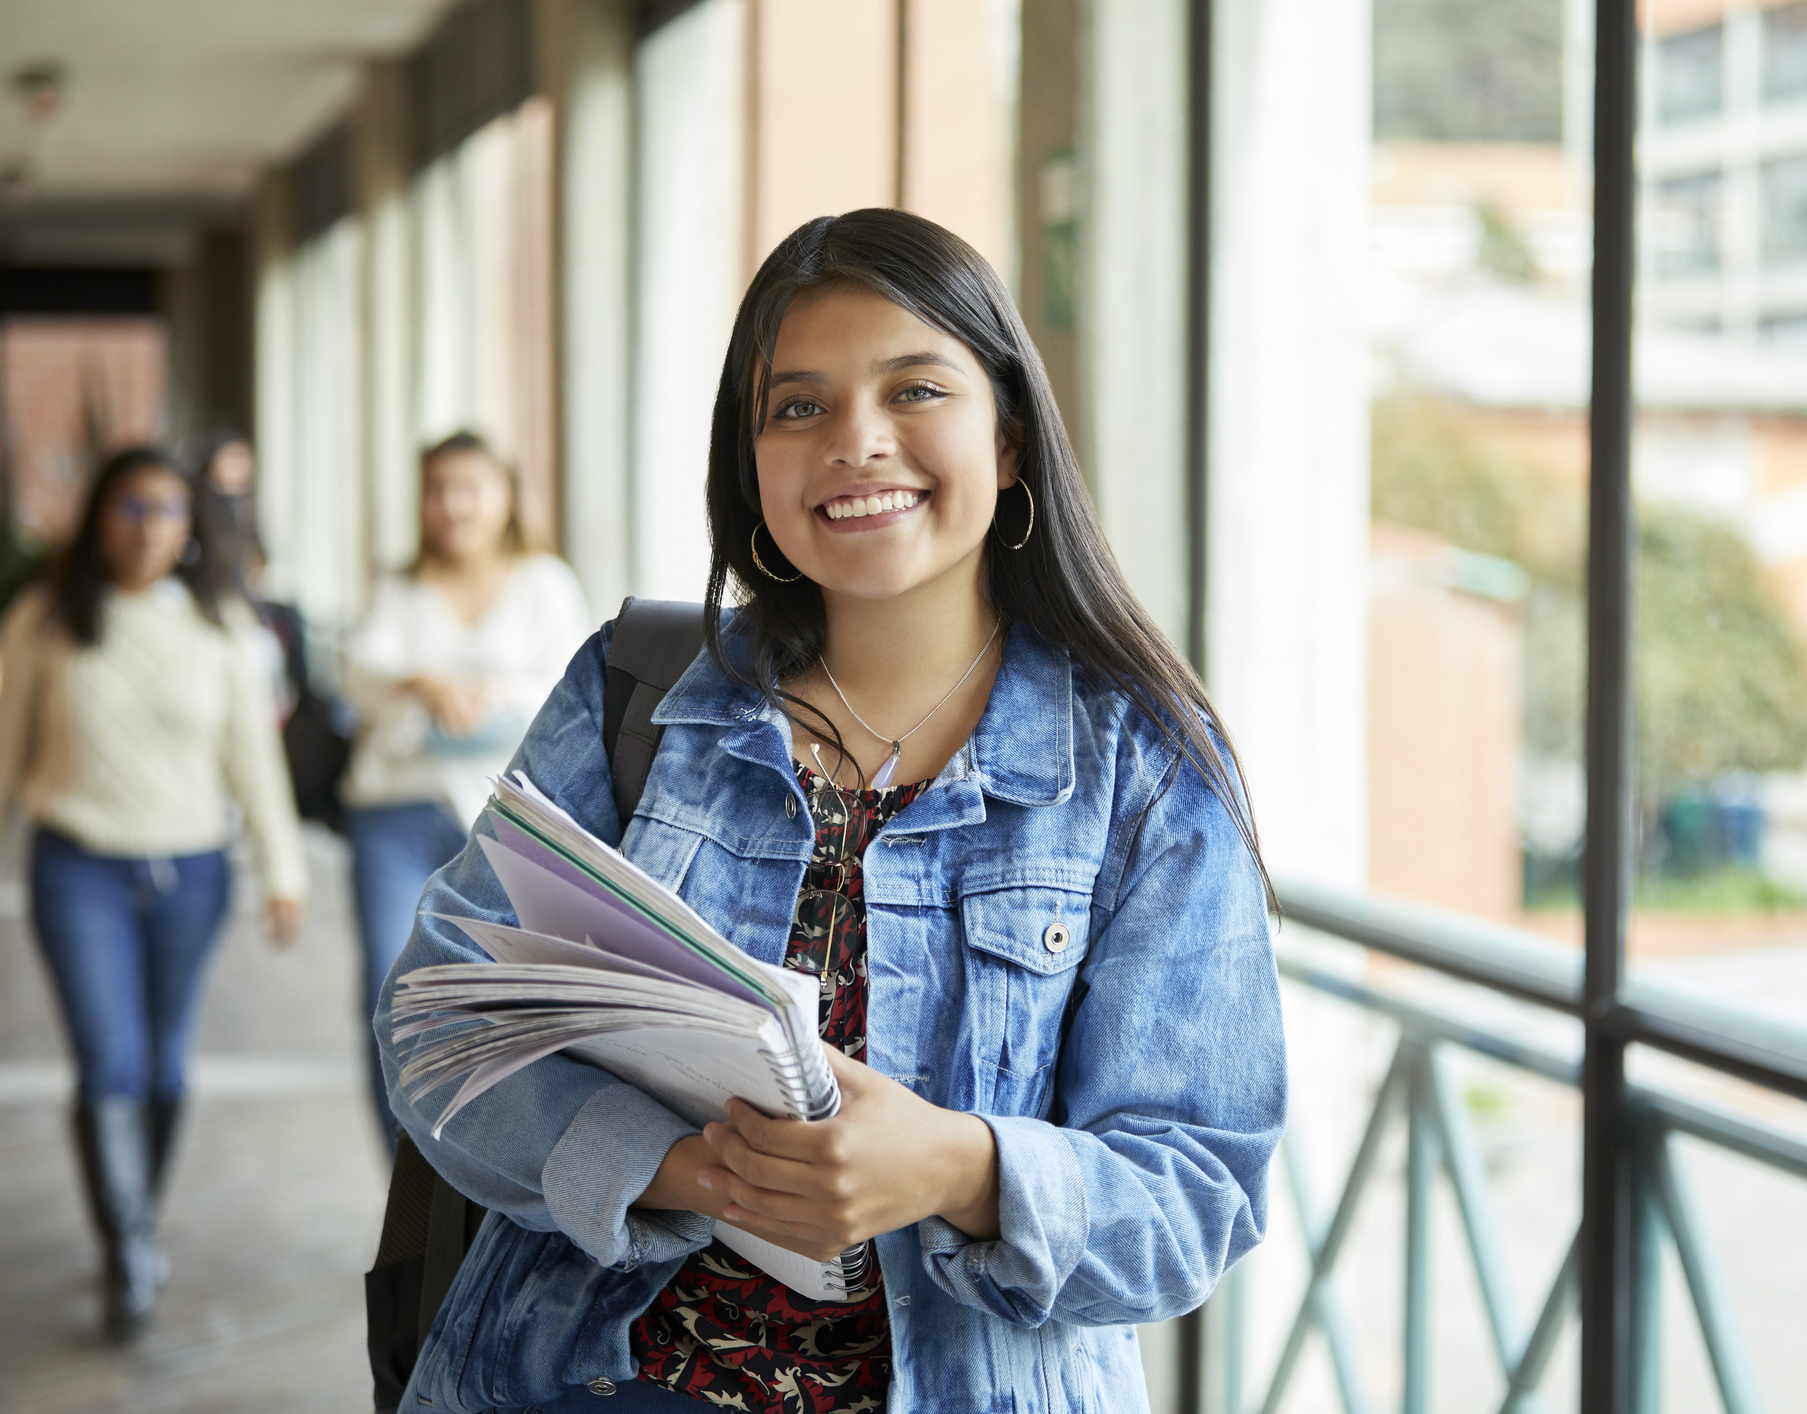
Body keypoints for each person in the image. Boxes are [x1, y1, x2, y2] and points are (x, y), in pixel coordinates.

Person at [375, 209, 1286, 1414]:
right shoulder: (637, 692)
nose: (856, 442)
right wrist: (682, 1169)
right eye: (797, 407)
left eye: (915, 389)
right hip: (600, 1380)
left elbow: (1200, 1186)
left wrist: (961, 1168)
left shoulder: (1147, 765)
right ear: (750, 460)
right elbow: (439, 1018)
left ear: (1009, 436)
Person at [0, 445, 307, 1341]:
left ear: (191, 528)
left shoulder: (220, 629)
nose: (147, 528)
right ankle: (129, 1243)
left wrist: (282, 871)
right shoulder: (47, 618)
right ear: (100, 517)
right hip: (77, 867)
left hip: (192, 873)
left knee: (166, 1069)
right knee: (110, 1065)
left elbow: (253, 758)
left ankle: (137, 1216)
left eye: (166, 511)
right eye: (130, 508)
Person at [341, 432, 589, 1145]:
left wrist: (477, 693)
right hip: (394, 814)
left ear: (505, 496)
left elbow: (571, 690)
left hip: (503, 818)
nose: (452, 506)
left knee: (498, 999)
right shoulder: (397, 586)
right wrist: (421, 682)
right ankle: (405, 1181)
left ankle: (477, 1174)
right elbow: (357, 676)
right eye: (436, 489)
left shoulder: (544, 583)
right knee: (390, 996)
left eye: (469, 488)